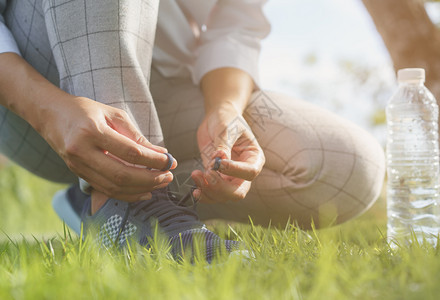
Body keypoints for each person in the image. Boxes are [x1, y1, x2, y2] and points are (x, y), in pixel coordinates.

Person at [0, 0, 385, 261]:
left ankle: (113, 202)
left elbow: (235, 27)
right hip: (31, 89)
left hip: (168, 82)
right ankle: (122, 207)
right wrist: (47, 110)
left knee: (348, 166)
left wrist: (225, 109)